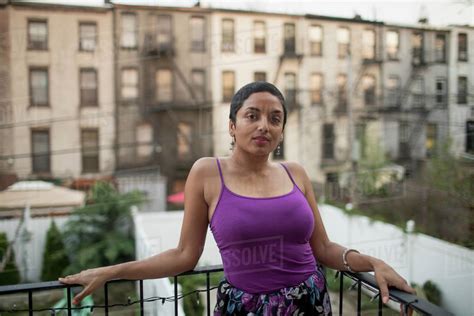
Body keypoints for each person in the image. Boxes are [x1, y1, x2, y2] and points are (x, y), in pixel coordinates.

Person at [60, 82, 415, 315]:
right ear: (232, 125)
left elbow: (322, 249)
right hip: (246, 308)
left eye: (275, 119)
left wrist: (372, 263)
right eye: (252, 115)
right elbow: (185, 256)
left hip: (309, 301)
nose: (264, 125)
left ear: (281, 132)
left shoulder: (297, 173)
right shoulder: (206, 172)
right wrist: (114, 270)